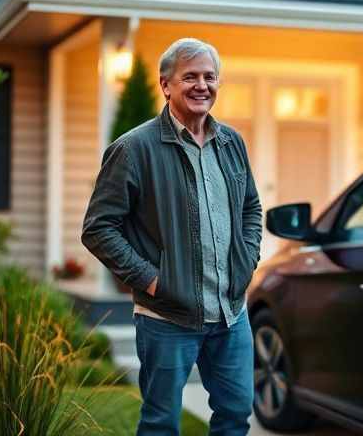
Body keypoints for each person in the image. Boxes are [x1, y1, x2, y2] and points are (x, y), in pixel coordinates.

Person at [82, 37, 262, 436]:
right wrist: (153, 280)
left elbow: (251, 207)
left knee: (236, 414)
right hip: (167, 315)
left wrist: (246, 261)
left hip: (231, 312)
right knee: (161, 422)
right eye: (190, 77)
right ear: (166, 85)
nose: (202, 85)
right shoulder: (133, 148)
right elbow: (98, 228)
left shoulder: (232, 143)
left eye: (210, 77)